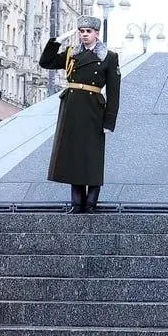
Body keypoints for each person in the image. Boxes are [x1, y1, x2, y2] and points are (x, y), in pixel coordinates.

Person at [38, 15, 121, 213]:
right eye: (81, 31)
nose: (84, 35)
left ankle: (91, 203)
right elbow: (46, 62)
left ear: (96, 34)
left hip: (93, 110)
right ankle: (77, 203)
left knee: (91, 157)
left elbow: (114, 92)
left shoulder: (108, 57)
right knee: (73, 156)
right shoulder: (70, 53)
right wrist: (56, 41)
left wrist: (109, 121)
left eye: (88, 31)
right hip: (72, 108)